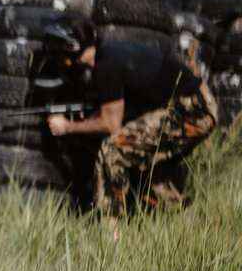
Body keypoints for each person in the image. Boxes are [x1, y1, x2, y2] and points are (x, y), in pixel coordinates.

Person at [45, 20, 217, 216]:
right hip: (197, 105)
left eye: (60, 54)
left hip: (192, 110)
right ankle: (190, 225)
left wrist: (67, 127)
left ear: (72, 49)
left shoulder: (106, 66)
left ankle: (112, 235)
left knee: (113, 151)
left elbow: (110, 124)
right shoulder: (109, 54)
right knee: (146, 169)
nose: (60, 61)